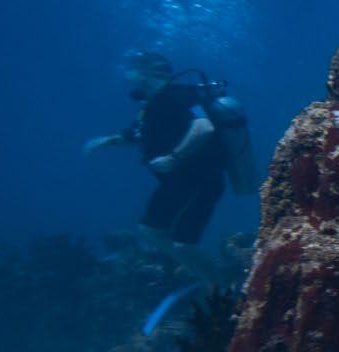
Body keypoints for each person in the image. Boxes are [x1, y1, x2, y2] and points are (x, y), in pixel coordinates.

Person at [84, 52, 231, 269]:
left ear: (144, 73)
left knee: (157, 232)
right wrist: (105, 141)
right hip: (189, 181)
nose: (129, 77)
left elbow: (203, 126)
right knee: (178, 241)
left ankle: (219, 283)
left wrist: (173, 157)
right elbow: (139, 136)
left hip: (196, 180)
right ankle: (217, 282)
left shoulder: (178, 95)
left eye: (132, 72)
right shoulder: (153, 106)